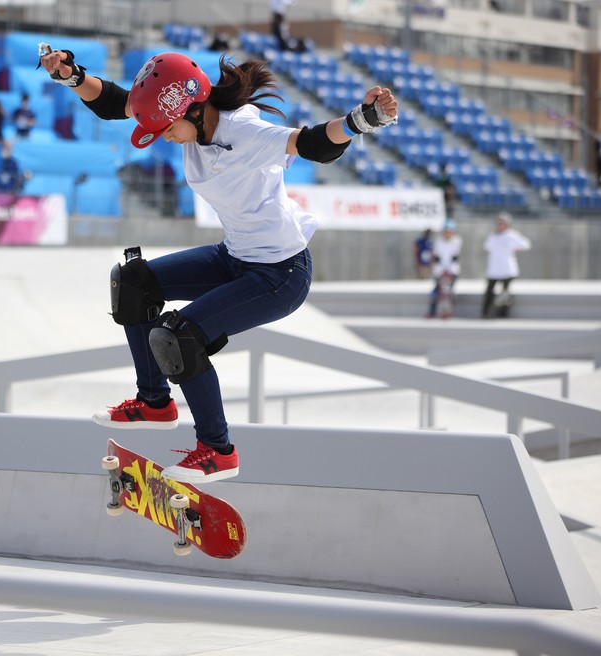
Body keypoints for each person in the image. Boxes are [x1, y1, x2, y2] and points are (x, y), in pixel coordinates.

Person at [39, 46, 397, 483]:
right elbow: (117, 103)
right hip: (235, 257)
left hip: (280, 275)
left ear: (191, 110)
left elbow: (312, 144)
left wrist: (362, 120)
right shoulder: (180, 113)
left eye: (167, 129)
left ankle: (217, 450)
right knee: (134, 282)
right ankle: (154, 403)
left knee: (178, 334)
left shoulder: (245, 132)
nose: (163, 138)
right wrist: (70, 75)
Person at [481, 212, 531, 319]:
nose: (500, 225)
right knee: (489, 292)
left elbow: (526, 244)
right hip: (494, 269)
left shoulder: (512, 235)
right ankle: (486, 313)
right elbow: (486, 247)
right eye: (499, 223)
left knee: (505, 294)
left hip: (507, 269)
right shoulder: (493, 236)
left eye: (503, 223)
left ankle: (503, 314)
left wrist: (516, 249)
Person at [426, 219, 462, 318]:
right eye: (446, 231)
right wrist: (442, 271)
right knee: (437, 292)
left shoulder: (456, 241)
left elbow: (454, 258)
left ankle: (448, 312)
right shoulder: (438, 241)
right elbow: (437, 258)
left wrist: (448, 271)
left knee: (449, 293)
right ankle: (432, 312)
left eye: (449, 232)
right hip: (439, 271)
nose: (447, 234)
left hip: (452, 271)